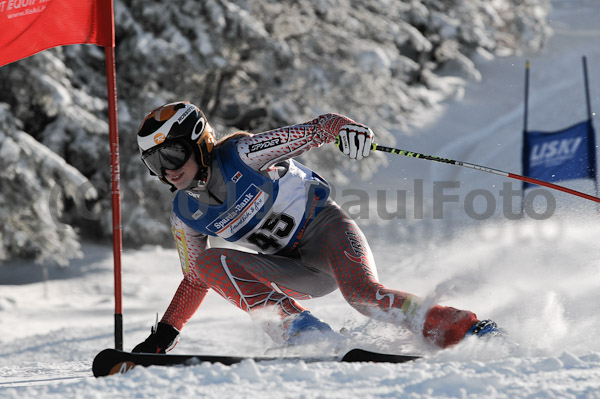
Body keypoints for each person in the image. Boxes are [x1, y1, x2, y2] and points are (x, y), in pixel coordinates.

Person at [132, 101, 500, 354]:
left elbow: (319, 128)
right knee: (206, 264)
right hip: (293, 268)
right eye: (154, 162)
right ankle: (303, 332)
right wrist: (165, 334)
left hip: (326, 232)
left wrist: (347, 129)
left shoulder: (244, 153)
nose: (167, 170)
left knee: (362, 295)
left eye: (172, 154)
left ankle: (464, 328)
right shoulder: (184, 213)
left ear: (200, 142)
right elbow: (197, 278)